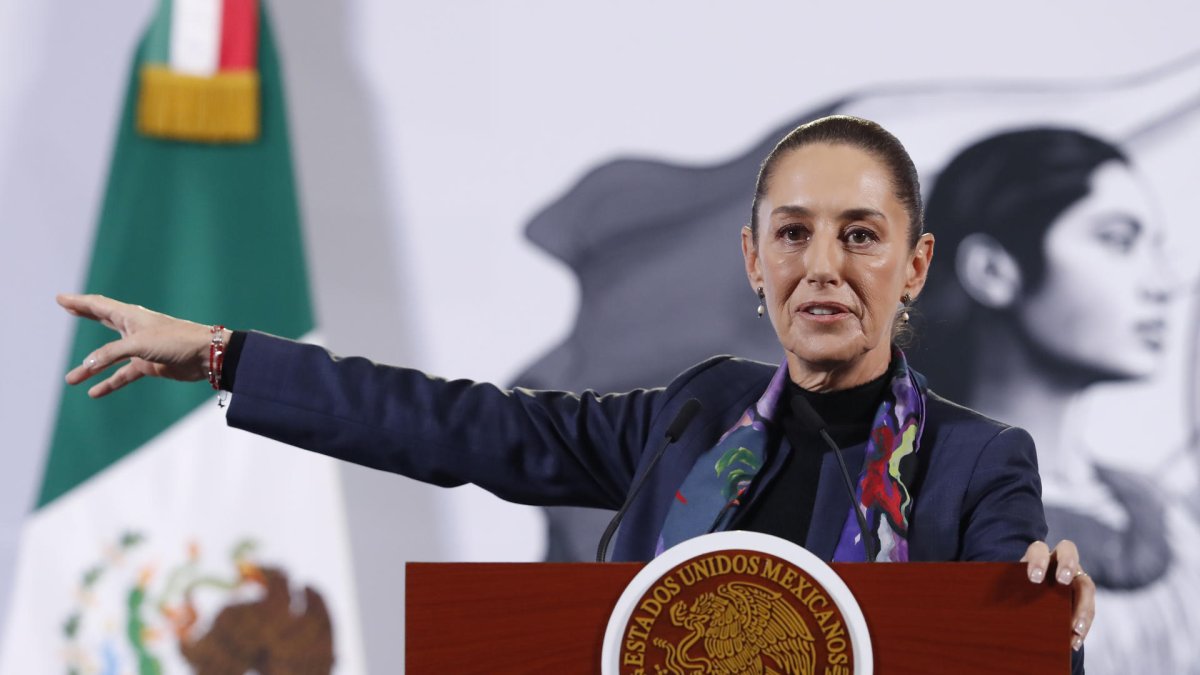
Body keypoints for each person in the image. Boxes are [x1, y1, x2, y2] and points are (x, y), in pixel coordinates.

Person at [58, 115, 1094, 662]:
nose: (822, 266)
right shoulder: (693, 418)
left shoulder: (977, 463)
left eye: (860, 236)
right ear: (753, 259)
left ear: (914, 267)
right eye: (794, 234)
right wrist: (229, 358)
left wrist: (1055, 624)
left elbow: (1015, 644)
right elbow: (456, 426)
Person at [915, 127, 1197, 673]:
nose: (1162, 283)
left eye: (1157, 248)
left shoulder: (1176, 518)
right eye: (1118, 240)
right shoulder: (900, 520)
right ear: (992, 271)